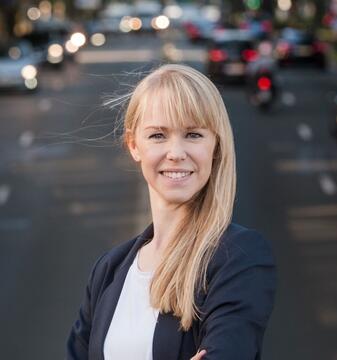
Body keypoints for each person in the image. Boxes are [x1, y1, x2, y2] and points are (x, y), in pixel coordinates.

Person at [66, 64, 276, 360]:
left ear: (216, 145)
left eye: (193, 134)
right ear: (133, 145)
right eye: (157, 136)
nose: (176, 152)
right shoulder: (108, 270)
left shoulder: (239, 257)